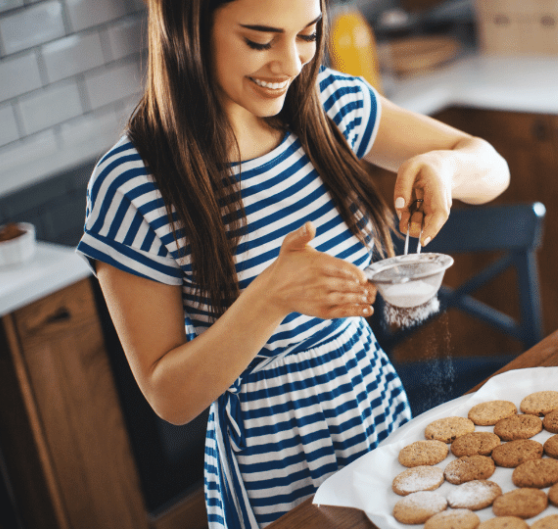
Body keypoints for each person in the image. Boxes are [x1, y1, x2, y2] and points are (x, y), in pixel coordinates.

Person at [75, 0, 509, 527]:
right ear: (187, 28)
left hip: (375, 408)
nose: (291, 63)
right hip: (272, 465)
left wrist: (446, 167)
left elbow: (491, 167)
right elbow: (170, 398)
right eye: (260, 41)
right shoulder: (134, 182)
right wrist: (270, 297)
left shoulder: (332, 105)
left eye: (307, 34)